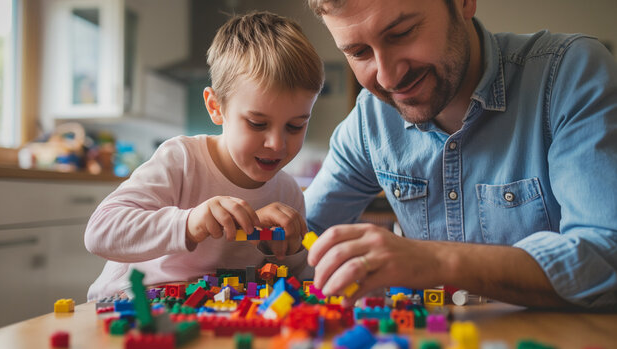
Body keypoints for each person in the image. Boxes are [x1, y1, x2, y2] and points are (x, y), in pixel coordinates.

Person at [303, 0, 617, 309]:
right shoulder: (370, 120)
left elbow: (605, 257)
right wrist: (268, 229)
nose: (387, 78)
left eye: (402, 32)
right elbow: (305, 236)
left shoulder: (571, 74)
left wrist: (434, 259)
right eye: (359, 53)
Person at [85, 11, 324, 300]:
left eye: (296, 126)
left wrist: (292, 251)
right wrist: (190, 222)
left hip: (215, 316)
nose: (277, 143)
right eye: (257, 123)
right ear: (215, 107)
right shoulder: (182, 160)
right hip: (131, 304)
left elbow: (297, 285)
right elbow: (99, 232)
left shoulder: (287, 193)